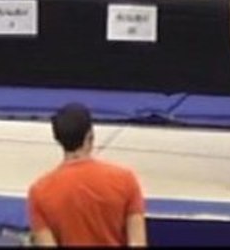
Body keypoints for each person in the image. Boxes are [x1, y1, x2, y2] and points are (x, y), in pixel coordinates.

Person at [27, 102, 147, 247]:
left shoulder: (39, 192)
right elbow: (138, 242)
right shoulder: (126, 180)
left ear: (58, 139)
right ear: (90, 135)